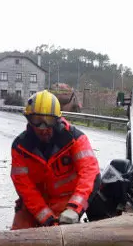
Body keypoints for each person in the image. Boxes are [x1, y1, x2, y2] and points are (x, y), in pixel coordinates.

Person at [10, 90, 100, 229]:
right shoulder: (20, 148)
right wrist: (47, 218)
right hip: (36, 204)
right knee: (19, 235)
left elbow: (90, 174)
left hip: (67, 202)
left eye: (48, 121)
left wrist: (74, 209)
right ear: (29, 120)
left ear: (57, 119)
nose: (43, 127)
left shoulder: (75, 140)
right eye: (37, 121)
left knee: (67, 241)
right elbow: (25, 189)